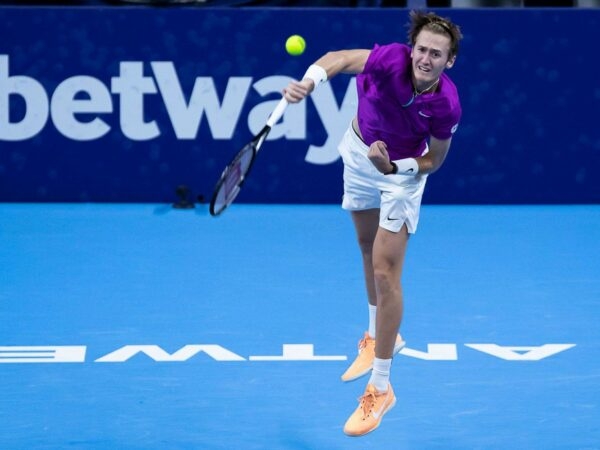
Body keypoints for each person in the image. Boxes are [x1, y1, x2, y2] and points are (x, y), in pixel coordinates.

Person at [283, 10, 463, 436]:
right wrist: (311, 81)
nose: (425, 59)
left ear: (449, 61)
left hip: (400, 176)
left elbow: (433, 160)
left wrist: (395, 166)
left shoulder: (446, 103)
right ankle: (374, 334)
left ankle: (380, 387)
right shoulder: (389, 60)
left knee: (386, 273)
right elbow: (340, 58)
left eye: (436, 54)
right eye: (421, 49)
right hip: (358, 151)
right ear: (412, 48)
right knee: (365, 246)